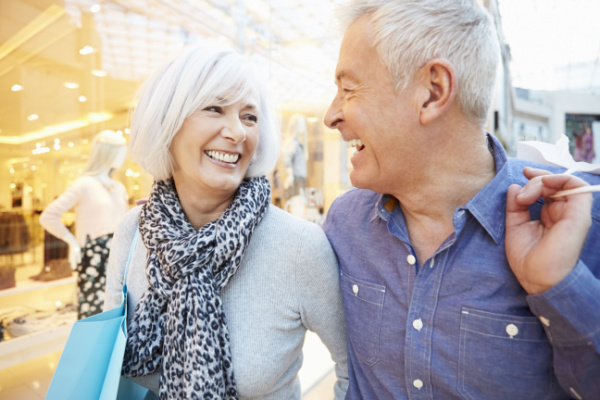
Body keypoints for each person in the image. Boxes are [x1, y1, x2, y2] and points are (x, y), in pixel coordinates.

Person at [322, 1, 600, 399]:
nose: (331, 115)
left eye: (348, 89)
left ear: (433, 92)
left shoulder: (576, 223)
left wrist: (558, 285)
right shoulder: (344, 226)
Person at [103, 45, 348, 400]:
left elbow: (354, 370)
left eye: (249, 117)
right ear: (166, 123)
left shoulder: (299, 246)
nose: (237, 132)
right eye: (214, 109)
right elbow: (110, 365)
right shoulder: (134, 230)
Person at [40, 130, 128, 319]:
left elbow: (125, 220)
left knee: (119, 308)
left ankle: (117, 348)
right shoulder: (85, 184)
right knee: (93, 309)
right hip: (95, 254)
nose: (123, 157)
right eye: (120, 152)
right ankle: (93, 347)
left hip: (120, 251)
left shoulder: (119, 187)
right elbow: (48, 216)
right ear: (107, 153)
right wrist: (71, 241)